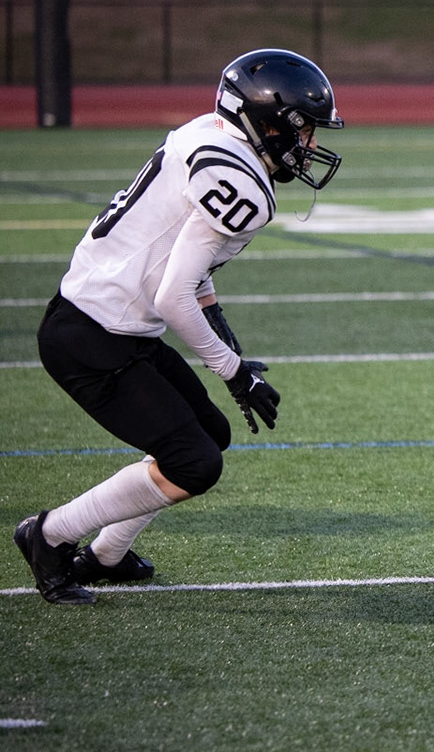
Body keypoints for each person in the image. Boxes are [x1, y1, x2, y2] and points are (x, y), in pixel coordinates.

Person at [12, 49, 345, 605]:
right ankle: (47, 536)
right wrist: (234, 372)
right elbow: (172, 297)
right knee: (195, 463)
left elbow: (186, 269)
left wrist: (223, 331)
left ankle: (106, 555)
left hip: (110, 322)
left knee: (207, 436)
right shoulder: (242, 184)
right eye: (303, 131)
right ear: (266, 123)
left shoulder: (209, 134)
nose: (308, 146)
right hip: (93, 337)